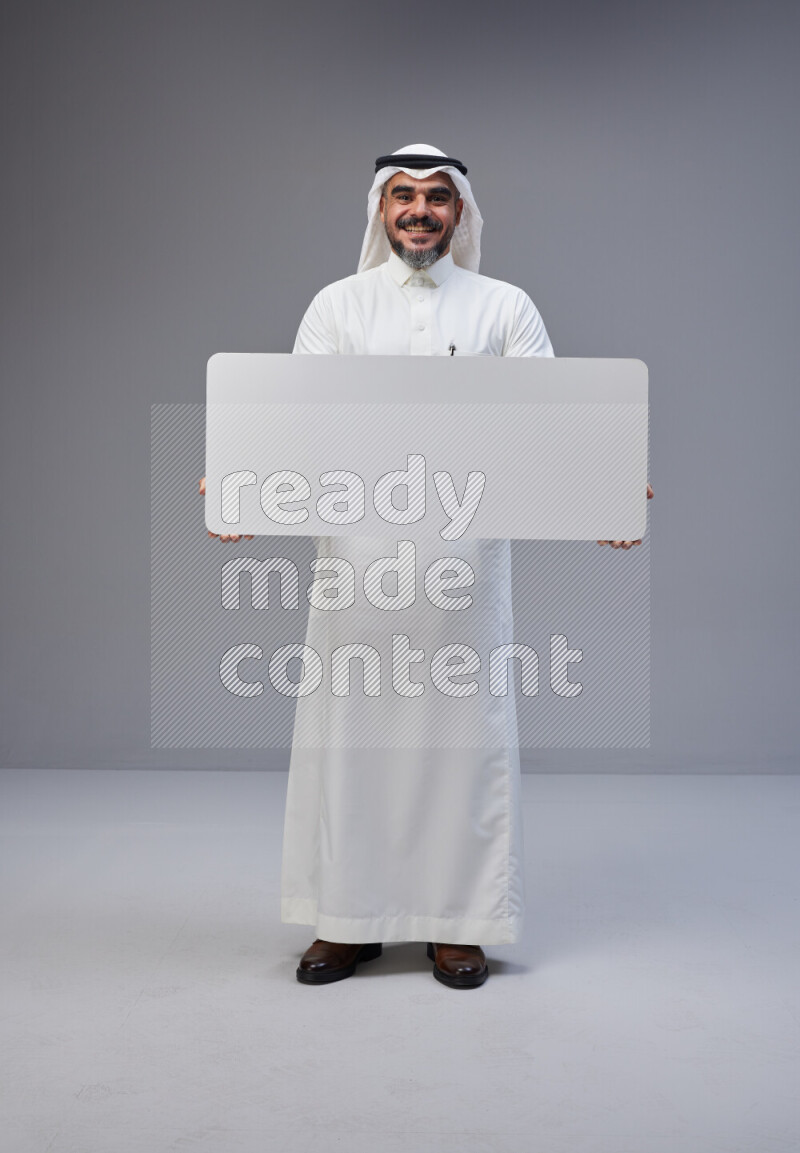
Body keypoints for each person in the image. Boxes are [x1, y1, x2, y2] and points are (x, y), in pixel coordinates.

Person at [201, 143, 651, 989]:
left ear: (461, 213)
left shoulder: (504, 308)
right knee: (353, 743)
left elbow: (554, 423)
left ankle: (458, 923)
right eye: (402, 195)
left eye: (436, 197)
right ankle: (348, 921)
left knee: (461, 745)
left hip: (463, 573)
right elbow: (292, 423)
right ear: (378, 209)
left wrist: (610, 492)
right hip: (356, 574)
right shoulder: (336, 307)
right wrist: (237, 484)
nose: (418, 210)